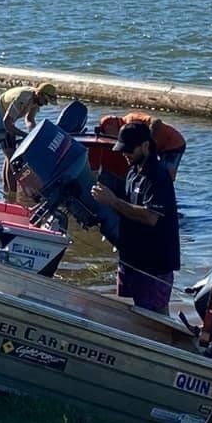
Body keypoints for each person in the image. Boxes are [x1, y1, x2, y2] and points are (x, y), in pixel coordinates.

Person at [89, 117, 180, 316]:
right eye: (122, 149)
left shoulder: (158, 176)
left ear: (145, 146)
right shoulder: (133, 172)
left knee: (152, 318)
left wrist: (113, 201)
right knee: (127, 314)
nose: (125, 154)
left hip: (154, 263)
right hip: (131, 258)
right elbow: (128, 207)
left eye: (129, 150)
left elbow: (150, 217)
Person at [0, 80, 56, 205]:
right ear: (40, 94)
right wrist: (24, 135)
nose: (45, 104)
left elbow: (29, 119)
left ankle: (7, 195)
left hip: (8, 121)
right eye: (45, 101)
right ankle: (12, 197)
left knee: (8, 157)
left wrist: (34, 134)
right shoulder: (23, 98)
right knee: (12, 158)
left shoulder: (36, 100)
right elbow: (7, 123)